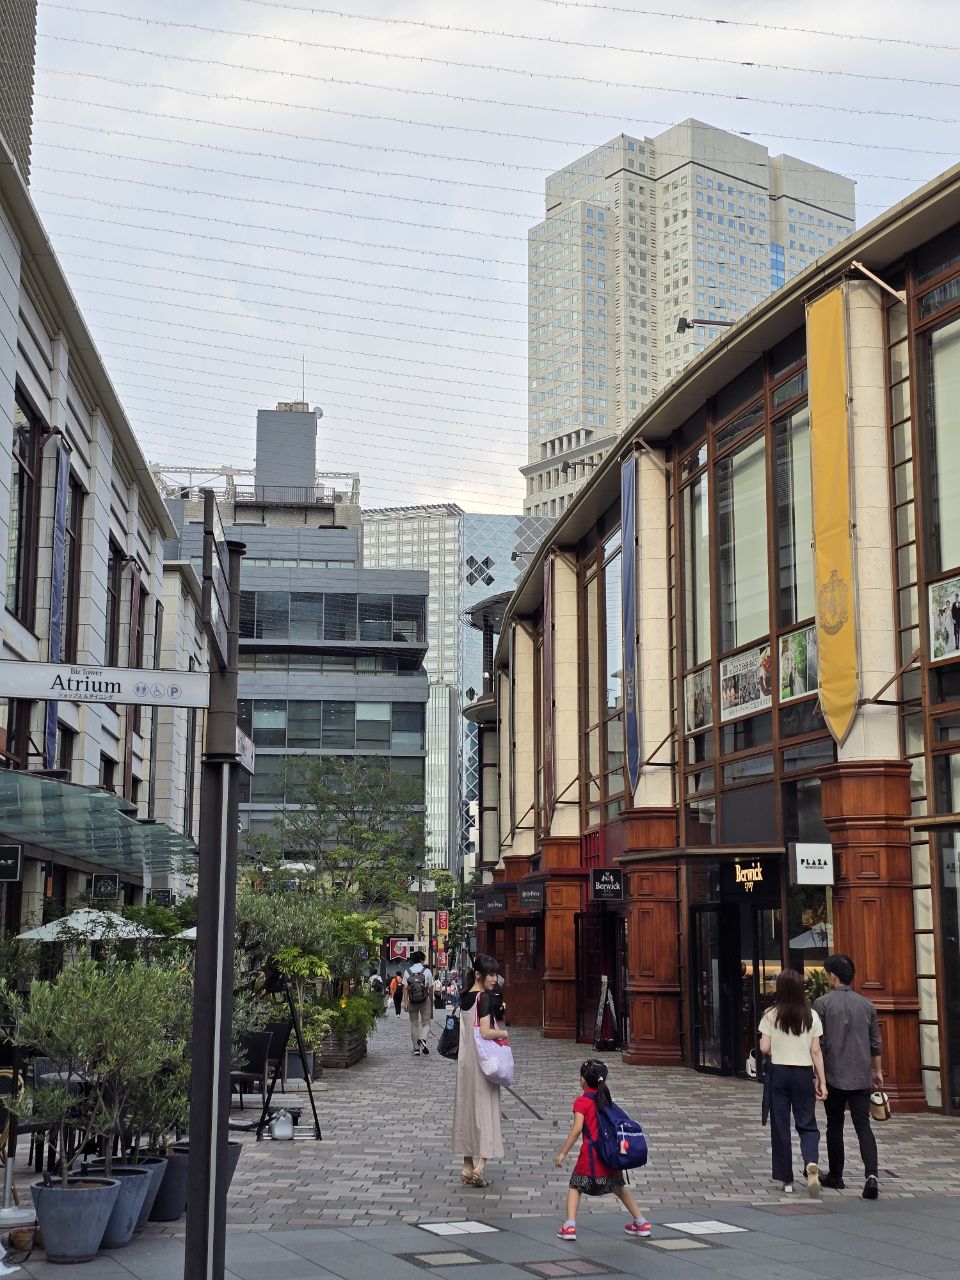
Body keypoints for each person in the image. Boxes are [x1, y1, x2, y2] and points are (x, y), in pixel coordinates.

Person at [554, 1059, 651, 1242]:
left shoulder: (582, 1102)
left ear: (583, 1080)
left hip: (590, 1157)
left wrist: (562, 1153)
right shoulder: (605, 1101)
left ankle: (569, 1226)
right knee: (619, 1188)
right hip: (609, 1156)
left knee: (575, 1186)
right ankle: (641, 1222)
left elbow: (577, 1129)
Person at [813, 954, 883, 1199]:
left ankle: (836, 1175)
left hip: (833, 1073)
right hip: (861, 1073)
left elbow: (817, 1043)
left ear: (833, 976)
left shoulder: (822, 1004)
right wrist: (877, 1071)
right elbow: (875, 1043)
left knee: (835, 1125)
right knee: (863, 1125)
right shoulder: (867, 1004)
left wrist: (818, 1076)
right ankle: (871, 1175)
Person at [759, 969, 827, 1196]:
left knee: (780, 1125)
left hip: (779, 1073)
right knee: (807, 1123)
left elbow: (764, 1047)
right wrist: (822, 1081)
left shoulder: (770, 1014)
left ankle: (786, 1179)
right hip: (803, 1073)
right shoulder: (811, 1015)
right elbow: (816, 1051)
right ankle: (810, 1162)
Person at [451, 953, 507, 1187]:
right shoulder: (484, 998)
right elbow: (485, 1032)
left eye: (495, 974)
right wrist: (503, 1033)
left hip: (465, 1064)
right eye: (490, 974)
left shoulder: (464, 996)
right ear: (478, 975)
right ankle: (480, 1166)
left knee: (466, 1110)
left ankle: (467, 1165)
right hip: (484, 1063)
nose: (494, 979)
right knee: (486, 1110)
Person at [403, 950, 434, 1056]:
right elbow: (430, 987)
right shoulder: (427, 971)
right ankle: (423, 1038)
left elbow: (405, 988)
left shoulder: (407, 971)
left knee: (414, 1024)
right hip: (425, 1000)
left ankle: (416, 1049)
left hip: (412, 1001)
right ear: (422, 960)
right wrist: (431, 1000)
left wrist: (405, 1003)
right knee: (426, 1023)